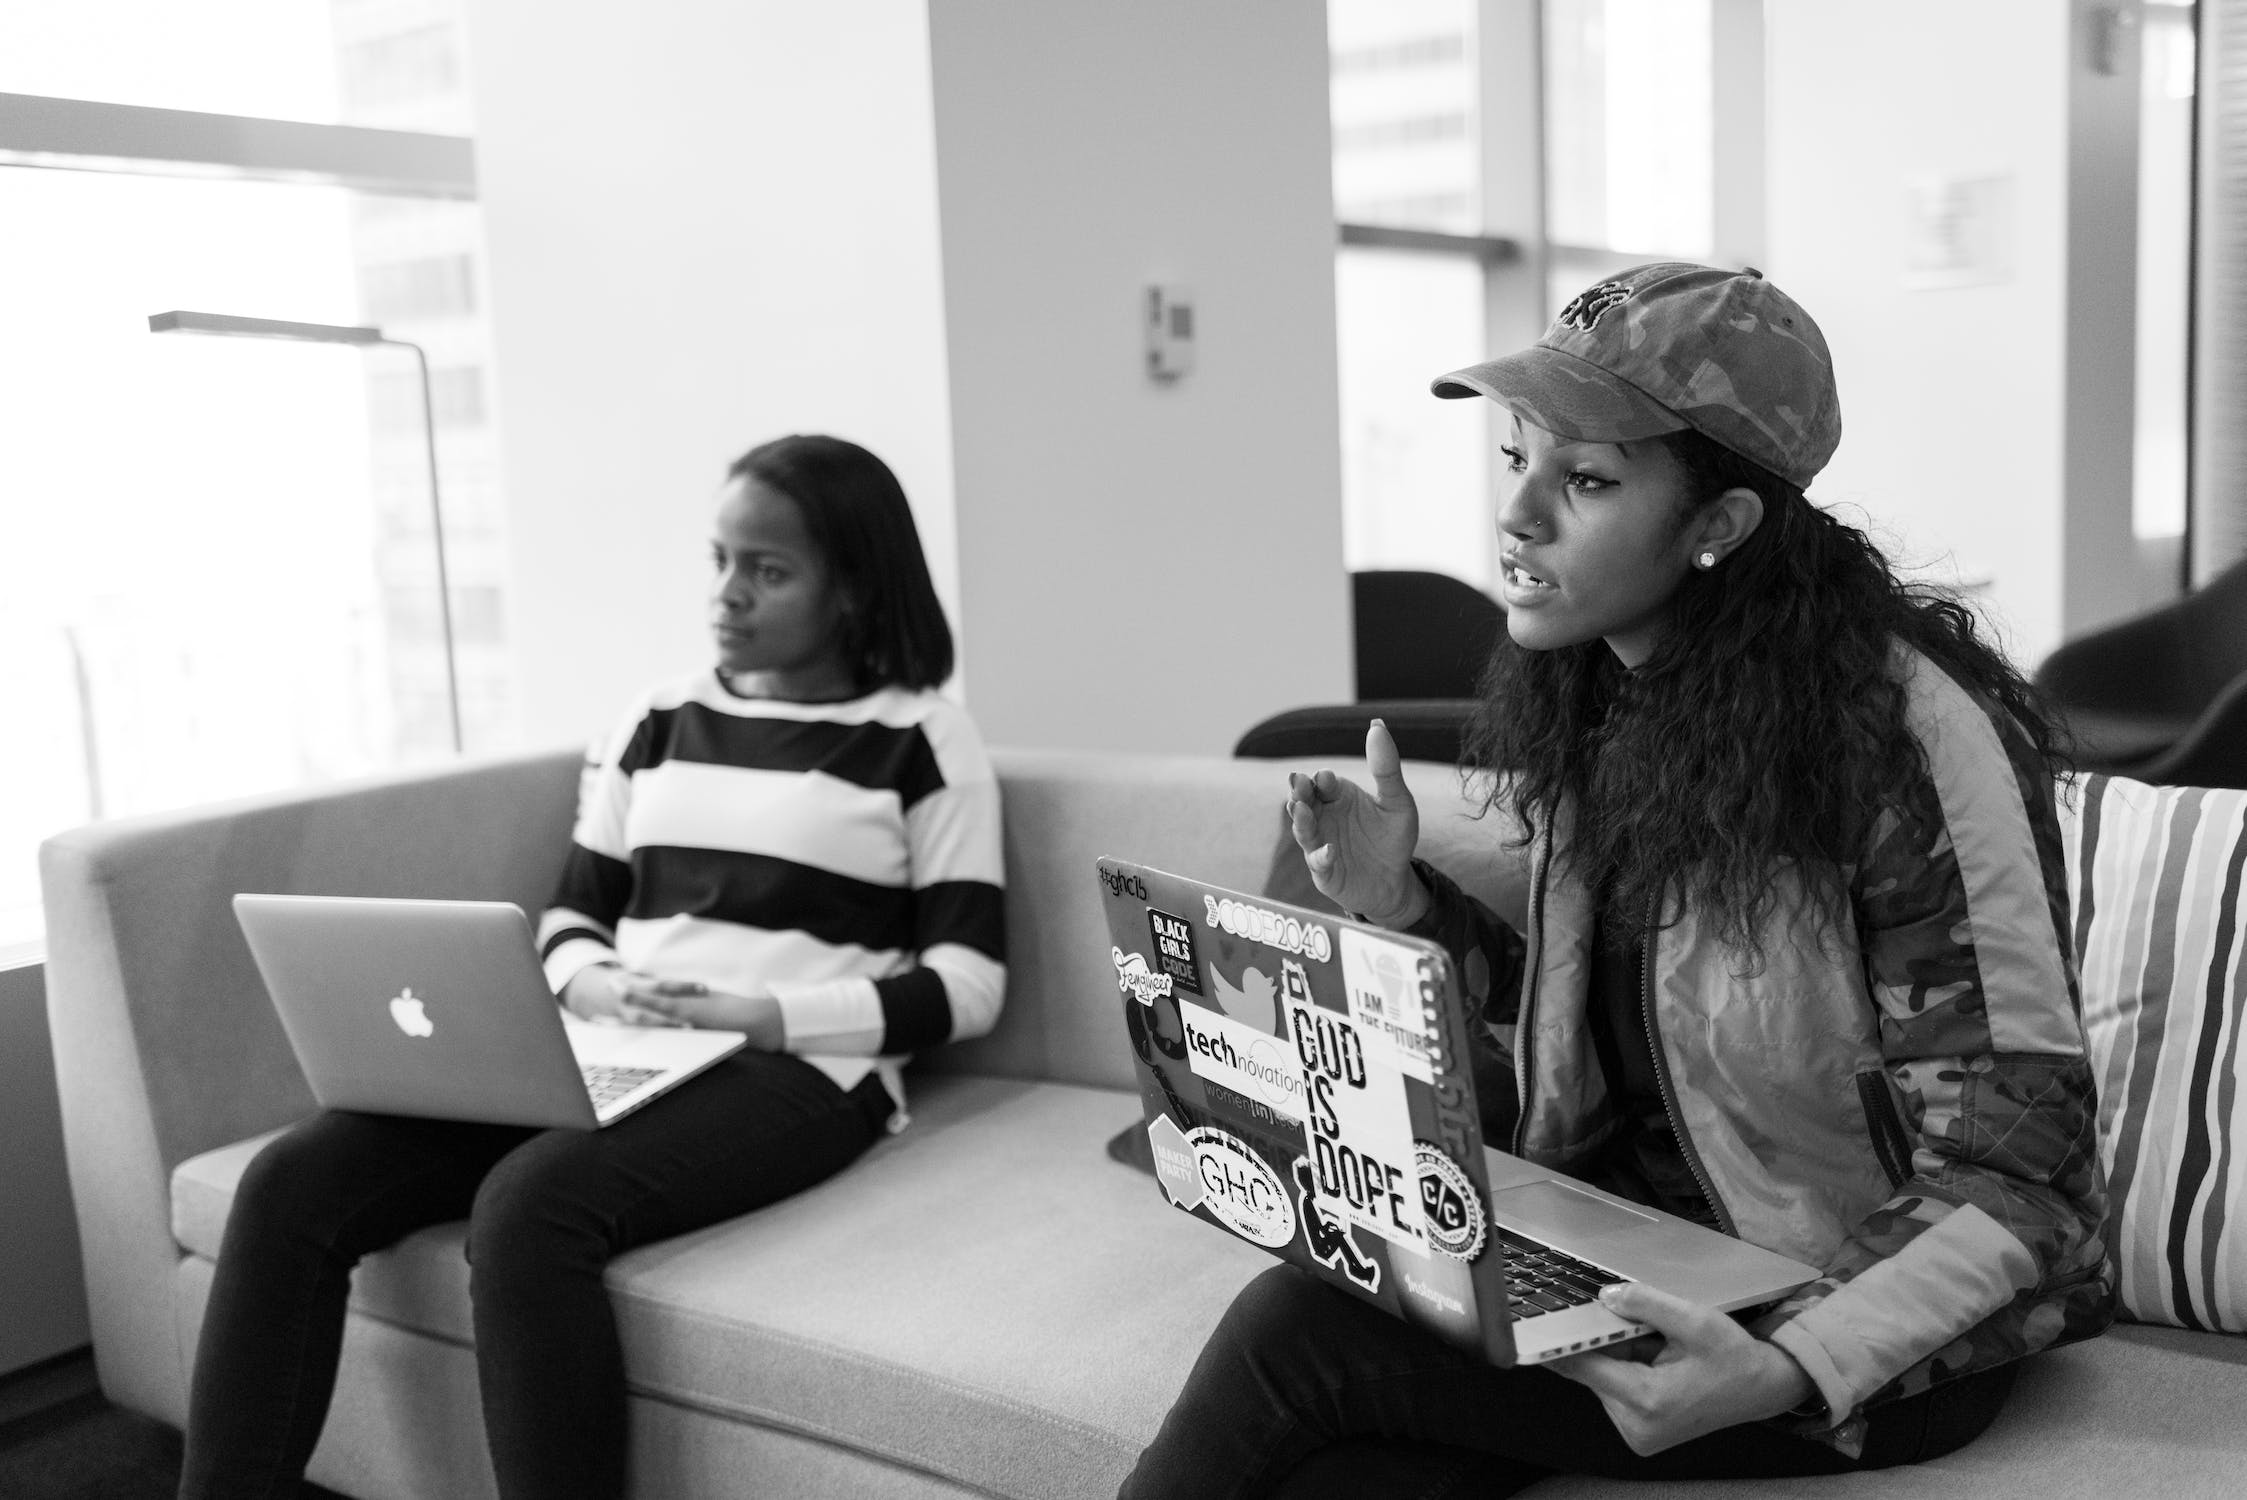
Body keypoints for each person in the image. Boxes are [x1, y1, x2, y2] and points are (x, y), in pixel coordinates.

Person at [1120, 263, 2113, 1499]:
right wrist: (1404, 904)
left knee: (1293, 1336)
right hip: (1646, 1262)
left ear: (1719, 526)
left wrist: (1789, 1359)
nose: (1519, 515)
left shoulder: (1911, 745)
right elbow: (1621, 1025)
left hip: (1854, 1331)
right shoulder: (1617, 689)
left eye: (1584, 479)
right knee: (1344, 1464)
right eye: (1516, 457)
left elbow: (2021, 1177)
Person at [180, 434, 1006, 1500]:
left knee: (529, 1208)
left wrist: (764, 1014)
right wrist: (590, 984)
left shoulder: (923, 739)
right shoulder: (656, 720)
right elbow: (575, 912)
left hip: (801, 1072)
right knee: (296, 1178)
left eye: (767, 569)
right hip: (617, 1039)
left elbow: (969, 981)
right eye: (719, 560)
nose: (728, 594)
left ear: (852, 590)